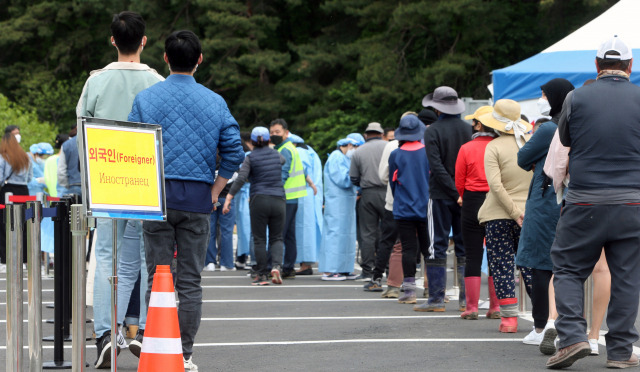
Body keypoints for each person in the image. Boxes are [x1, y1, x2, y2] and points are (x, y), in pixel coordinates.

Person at [129, 29, 244, 371]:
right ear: (200, 60)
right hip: (197, 199)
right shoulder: (215, 101)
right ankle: (186, 354)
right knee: (190, 280)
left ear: (165, 58)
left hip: (156, 198)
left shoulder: (146, 99)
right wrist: (215, 190)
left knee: (158, 275)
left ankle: (157, 347)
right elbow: (234, 153)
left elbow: (133, 149)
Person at [76, 11, 164, 368]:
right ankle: (142, 329)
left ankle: (103, 334)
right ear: (144, 41)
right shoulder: (158, 81)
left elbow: (82, 134)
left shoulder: (95, 82)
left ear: (112, 40)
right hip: (146, 182)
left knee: (106, 258)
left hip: (105, 181)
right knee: (146, 258)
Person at [546, 36, 640, 369]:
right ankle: (619, 352)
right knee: (627, 276)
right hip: (633, 203)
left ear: (597, 66)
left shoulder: (576, 98)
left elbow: (566, 140)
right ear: (630, 67)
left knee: (569, 269)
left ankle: (572, 338)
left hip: (584, 201)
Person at [516, 78, 573, 348]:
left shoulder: (548, 128)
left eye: (543, 95)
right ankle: (566, 322)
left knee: (540, 264)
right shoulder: (577, 123)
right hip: (573, 201)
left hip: (545, 200)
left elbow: (522, 158)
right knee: (568, 266)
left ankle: (541, 326)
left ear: (553, 98)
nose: (541, 99)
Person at [476, 99, 533, 333]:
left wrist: (511, 211)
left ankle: (509, 319)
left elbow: (495, 186)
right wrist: (521, 213)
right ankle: (542, 317)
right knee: (532, 265)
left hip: (497, 214)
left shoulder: (494, 146)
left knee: (501, 264)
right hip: (529, 214)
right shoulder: (532, 143)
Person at [421, 86, 471, 312]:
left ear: (437, 107)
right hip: (466, 195)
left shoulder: (432, 131)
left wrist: (452, 191)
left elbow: (436, 167)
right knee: (464, 246)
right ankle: (465, 300)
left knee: (436, 246)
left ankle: (436, 299)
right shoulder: (468, 129)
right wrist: (460, 192)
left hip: (441, 194)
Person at [223, 127, 285, 285]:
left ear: (252, 141)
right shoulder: (277, 155)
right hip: (278, 199)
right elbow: (283, 161)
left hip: (259, 199)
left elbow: (241, 177)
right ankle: (277, 266)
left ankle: (262, 274)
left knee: (259, 239)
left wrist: (229, 197)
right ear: (268, 140)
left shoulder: (250, 158)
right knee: (276, 237)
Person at [455, 106, 500, 320]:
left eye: (474, 121)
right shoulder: (500, 145)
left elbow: (459, 181)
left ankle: (472, 307)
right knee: (496, 255)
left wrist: (464, 194)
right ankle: (496, 307)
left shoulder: (466, 148)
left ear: (479, 124)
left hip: (472, 200)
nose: (471, 124)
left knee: (472, 254)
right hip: (496, 200)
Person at [388, 115, 430, 305]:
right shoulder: (428, 152)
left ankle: (409, 291)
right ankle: (433, 289)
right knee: (429, 249)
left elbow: (393, 182)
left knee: (408, 249)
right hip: (426, 207)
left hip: (404, 207)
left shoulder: (396, 155)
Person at [269, 119, 309, 278]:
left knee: (278, 233)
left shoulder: (285, 149)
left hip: (285, 197)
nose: (274, 135)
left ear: (286, 133)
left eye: (277, 132)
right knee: (289, 234)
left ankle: (271, 266)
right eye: (272, 132)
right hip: (292, 197)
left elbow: (282, 175)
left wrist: (273, 192)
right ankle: (288, 267)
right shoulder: (288, 148)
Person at [349, 122, 388, 281]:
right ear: (381, 134)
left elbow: (353, 178)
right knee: (389, 232)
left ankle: (367, 270)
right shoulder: (389, 147)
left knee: (367, 234)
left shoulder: (359, 151)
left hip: (368, 194)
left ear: (366, 135)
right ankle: (388, 268)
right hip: (388, 193)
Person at [318, 138, 358, 280]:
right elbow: (343, 179)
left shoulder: (344, 158)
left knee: (347, 235)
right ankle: (330, 270)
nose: (356, 151)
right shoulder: (336, 157)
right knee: (335, 234)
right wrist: (359, 179)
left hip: (346, 203)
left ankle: (344, 268)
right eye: (355, 147)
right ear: (348, 145)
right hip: (337, 203)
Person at [289, 134, 323, 275]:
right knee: (308, 229)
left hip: (302, 193)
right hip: (311, 195)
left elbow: (301, 171)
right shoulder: (311, 151)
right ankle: (306, 263)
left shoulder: (300, 152)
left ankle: (305, 264)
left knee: (302, 230)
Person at [0, 132, 33, 273]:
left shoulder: (3, 157)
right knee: (23, 225)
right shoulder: (26, 157)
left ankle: (5, 260)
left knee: (4, 225)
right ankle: (24, 260)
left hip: (8, 191)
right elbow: (30, 177)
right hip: (24, 191)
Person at [204, 158, 237, 272]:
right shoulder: (230, 163)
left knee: (210, 231)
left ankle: (210, 262)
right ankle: (226, 263)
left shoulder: (210, 161)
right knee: (226, 231)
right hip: (226, 199)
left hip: (212, 199)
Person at [234, 132, 253, 269]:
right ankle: (243, 258)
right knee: (247, 229)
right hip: (248, 195)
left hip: (242, 195)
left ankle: (241, 258)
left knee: (244, 229)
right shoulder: (248, 156)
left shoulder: (244, 156)